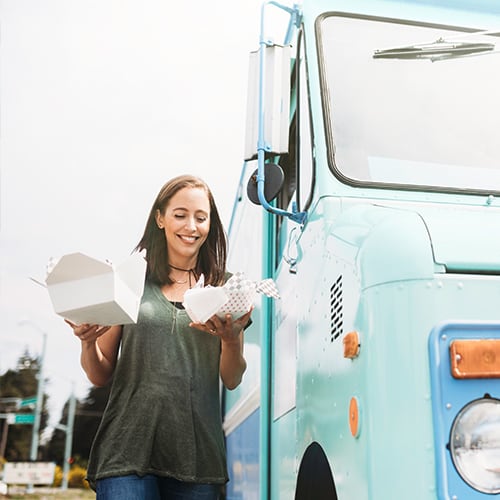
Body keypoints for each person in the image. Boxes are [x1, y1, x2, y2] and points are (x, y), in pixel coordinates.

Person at [66, 174, 251, 500]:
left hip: (197, 459)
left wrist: (232, 341)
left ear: (210, 224)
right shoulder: (129, 280)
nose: (191, 226)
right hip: (126, 450)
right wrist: (87, 342)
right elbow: (100, 372)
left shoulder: (226, 289)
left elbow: (232, 379)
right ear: (160, 218)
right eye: (180, 215)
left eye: (201, 217)